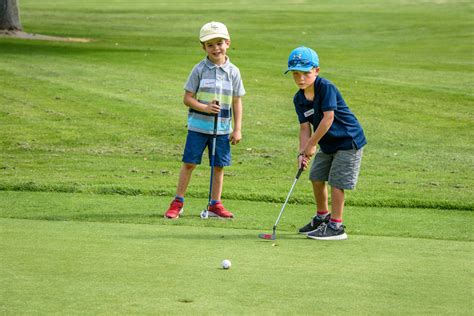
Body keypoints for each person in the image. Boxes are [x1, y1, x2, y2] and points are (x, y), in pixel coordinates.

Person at [164, 21, 245, 219]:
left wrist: (237, 129)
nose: (216, 48)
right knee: (189, 163)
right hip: (198, 127)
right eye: (210, 45)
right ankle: (178, 201)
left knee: (218, 166)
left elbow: (237, 101)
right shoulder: (199, 69)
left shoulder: (233, 71)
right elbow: (187, 98)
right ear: (203, 47)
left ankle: (214, 204)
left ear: (228, 43)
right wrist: (205, 108)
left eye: (219, 43)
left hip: (223, 129)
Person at [285, 46, 366, 240]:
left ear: (316, 71)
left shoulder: (326, 87)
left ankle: (336, 226)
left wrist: (312, 145)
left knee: (337, 182)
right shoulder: (299, 98)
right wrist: (302, 152)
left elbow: (328, 118)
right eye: (296, 74)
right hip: (327, 143)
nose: (301, 78)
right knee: (316, 176)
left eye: (306, 73)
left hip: (348, 141)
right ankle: (322, 217)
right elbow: (305, 128)